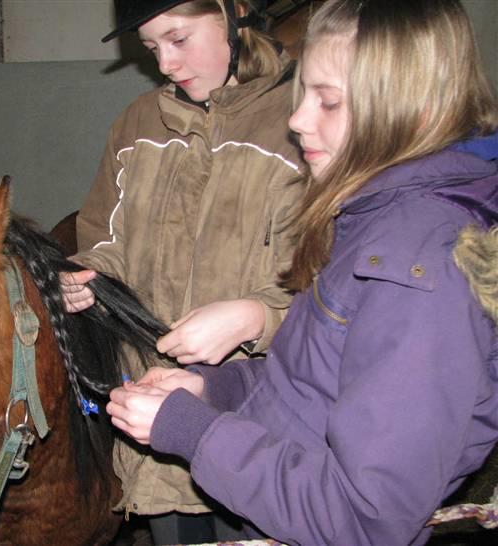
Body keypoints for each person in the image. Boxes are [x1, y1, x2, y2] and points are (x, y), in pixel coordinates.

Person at [105, 0, 498, 544]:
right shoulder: (375, 220)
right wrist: (215, 387)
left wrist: (193, 430)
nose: (296, 121)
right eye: (303, 94)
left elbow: (363, 517)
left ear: (417, 109)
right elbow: (318, 380)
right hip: (269, 489)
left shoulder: (417, 269)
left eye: (329, 101)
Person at [60, 0, 305, 542]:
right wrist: (84, 276)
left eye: (179, 38)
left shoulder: (306, 120)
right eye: (151, 48)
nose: (165, 64)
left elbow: (337, 291)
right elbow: (105, 238)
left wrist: (260, 318)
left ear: (234, 15)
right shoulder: (138, 123)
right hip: (155, 407)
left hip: (264, 415)